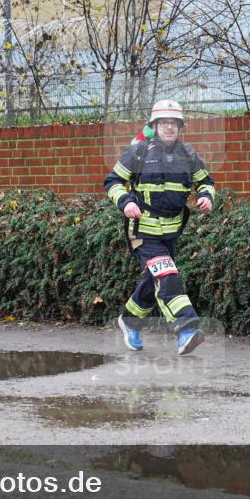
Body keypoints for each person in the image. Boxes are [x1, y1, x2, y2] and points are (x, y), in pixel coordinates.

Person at [104, 100, 215, 355]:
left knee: (155, 279)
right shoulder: (137, 152)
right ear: (154, 125)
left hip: (171, 233)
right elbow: (112, 182)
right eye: (164, 122)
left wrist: (206, 196)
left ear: (180, 126)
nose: (169, 127)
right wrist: (126, 201)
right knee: (167, 277)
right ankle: (186, 329)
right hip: (142, 231)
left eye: (174, 123)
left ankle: (130, 321)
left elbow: (206, 182)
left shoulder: (188, 155)